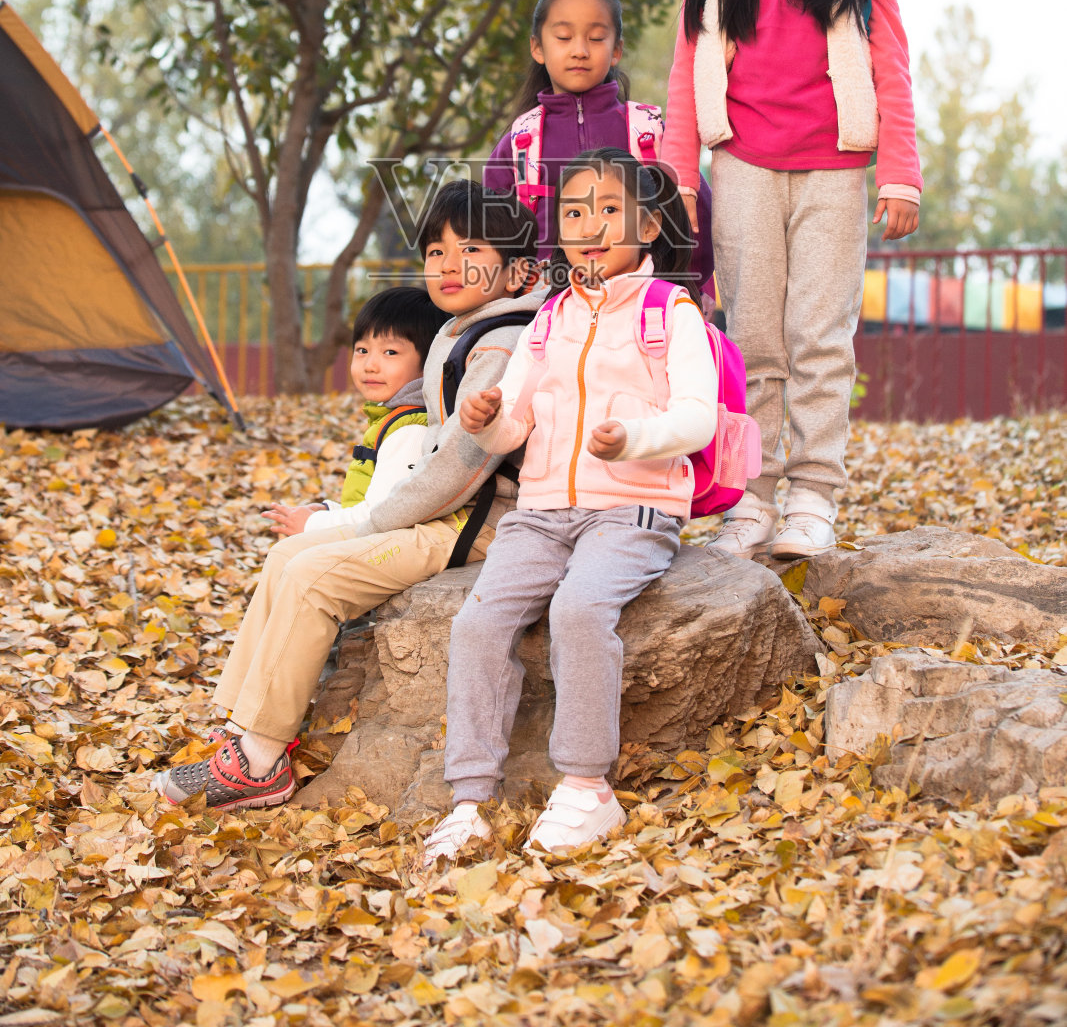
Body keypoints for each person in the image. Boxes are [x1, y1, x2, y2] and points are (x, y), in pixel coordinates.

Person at [151, 183, 543, 811]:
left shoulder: (503, 341)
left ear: (520, 270)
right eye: (436, 250)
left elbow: (462, 472)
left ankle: (259, 765)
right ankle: (245, 733)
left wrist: (370, 525)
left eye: (470, 249)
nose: (447, 265)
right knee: (286, 559)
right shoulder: (466, 329)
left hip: (481, 526)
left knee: (312, 578)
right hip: (451, 517)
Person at [421, 148, 717, 862]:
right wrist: (484, 419)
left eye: (608, 210)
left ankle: (586, 790)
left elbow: (698, 416)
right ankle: (469, 801)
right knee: (479, 621)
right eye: (574, 212)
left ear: (646, 226)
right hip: (543, 509)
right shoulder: (549, 317)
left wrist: (636, 439)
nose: (589, 224)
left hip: (633, 508)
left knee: (578, 610)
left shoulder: (666, 310)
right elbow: (515, 424)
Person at [661, 0, 922, 564]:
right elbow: (686, 67)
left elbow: (892, 71)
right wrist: (677, 173)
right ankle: (752, 498)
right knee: (750, 338)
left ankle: (812, 496)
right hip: (739, 163)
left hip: (834, 171)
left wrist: (899, 175)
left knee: (819, 336)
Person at [483, 0, 715, 296]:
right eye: (564, 37)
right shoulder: (520, 142)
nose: (580, 50)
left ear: (616, 50)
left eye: (595, 38)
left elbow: (696, 218)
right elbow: (488, 235)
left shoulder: (650, 132)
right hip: (539, 314)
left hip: (639, 304)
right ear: (537, 47)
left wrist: (682, 286)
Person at [267, 286, 440, 538]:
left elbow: (379, 516)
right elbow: (371, 503)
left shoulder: (411, 430)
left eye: (390, 352)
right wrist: (326, 511)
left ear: (429, 363)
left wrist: (312, 524)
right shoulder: (391, 419)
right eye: (362, 350)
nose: (370, 365)